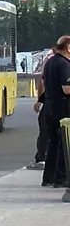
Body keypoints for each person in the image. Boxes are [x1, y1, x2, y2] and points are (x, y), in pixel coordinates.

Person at [41, 36, 70, 188]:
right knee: (64, 143)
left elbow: (44, 83)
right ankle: (61, 178)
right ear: (68, 47)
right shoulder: (64, 64)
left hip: (49, 106)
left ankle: (49, 177)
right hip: (62, 106)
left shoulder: (50, 62)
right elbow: (67, 89)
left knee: (52, 142)